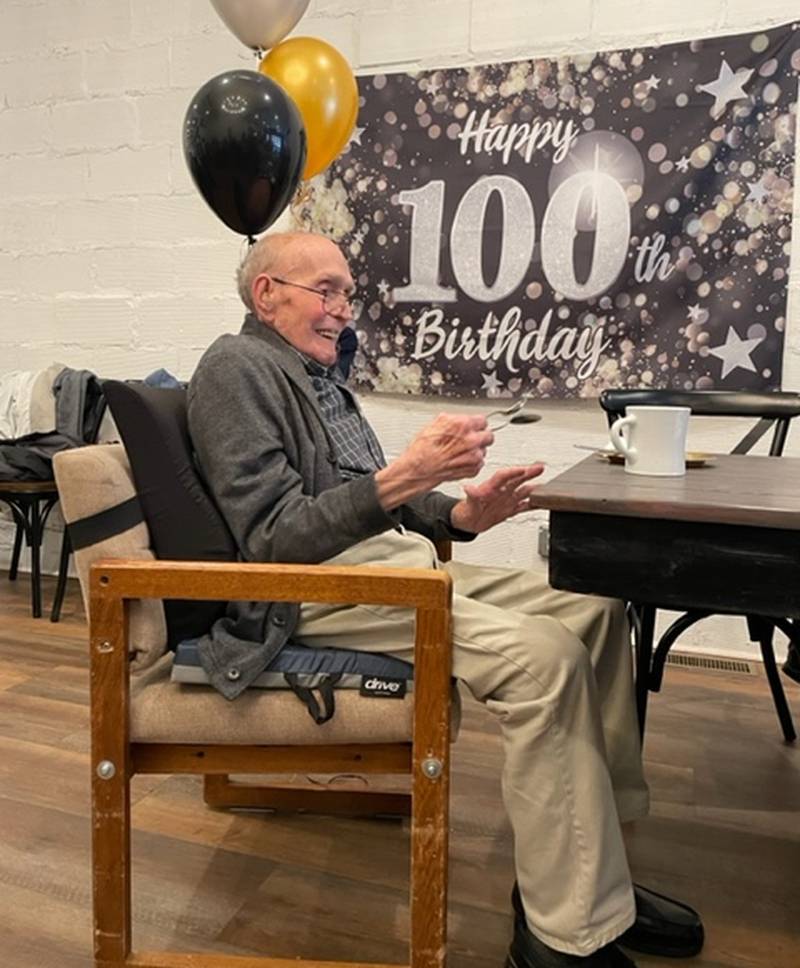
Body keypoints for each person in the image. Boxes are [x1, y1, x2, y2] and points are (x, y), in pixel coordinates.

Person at [187, 231, 704, 968]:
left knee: (592, 609)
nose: (342, 309)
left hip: (386, 563)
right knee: (544, 659)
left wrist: (460, 514)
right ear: (267, 294)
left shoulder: (317, 376)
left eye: (347, 292)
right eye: (325, 291)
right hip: (310, 593)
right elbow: (274, 539)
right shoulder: (235, 368)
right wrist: (406, 475)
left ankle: (594, 869)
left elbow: (368, 498)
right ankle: (561, 938)